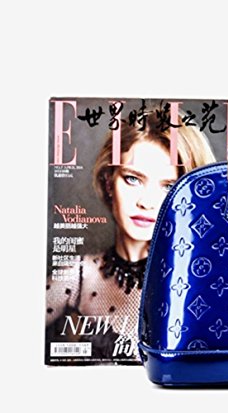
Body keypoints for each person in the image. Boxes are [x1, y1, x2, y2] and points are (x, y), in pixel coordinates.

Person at [46, 111, 216, 362]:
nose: (146, 202)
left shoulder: (205, 281)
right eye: (133, 179)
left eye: (169, 186)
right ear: (108, 183)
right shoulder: (78, 275)